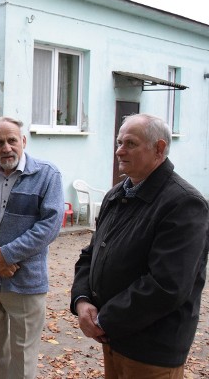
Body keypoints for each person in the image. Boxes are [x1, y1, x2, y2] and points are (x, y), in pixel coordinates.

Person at [71, 113, 209, 379]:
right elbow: (91, 254)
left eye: (130, 144)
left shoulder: (183, 203)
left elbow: (167, 285)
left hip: (152, 349)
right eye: (119, 142)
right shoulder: (118, 193)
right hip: (114, 340)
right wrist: (82, 300)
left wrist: (104, 320)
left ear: (159, 148)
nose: (119, 151)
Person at [0, 116, 64, 379]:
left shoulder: (47, 175)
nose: (6, 147)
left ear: (23, 141)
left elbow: (50, 225)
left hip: (26, 281)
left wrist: (6, 255)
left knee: (23, 355)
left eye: (12, 140)